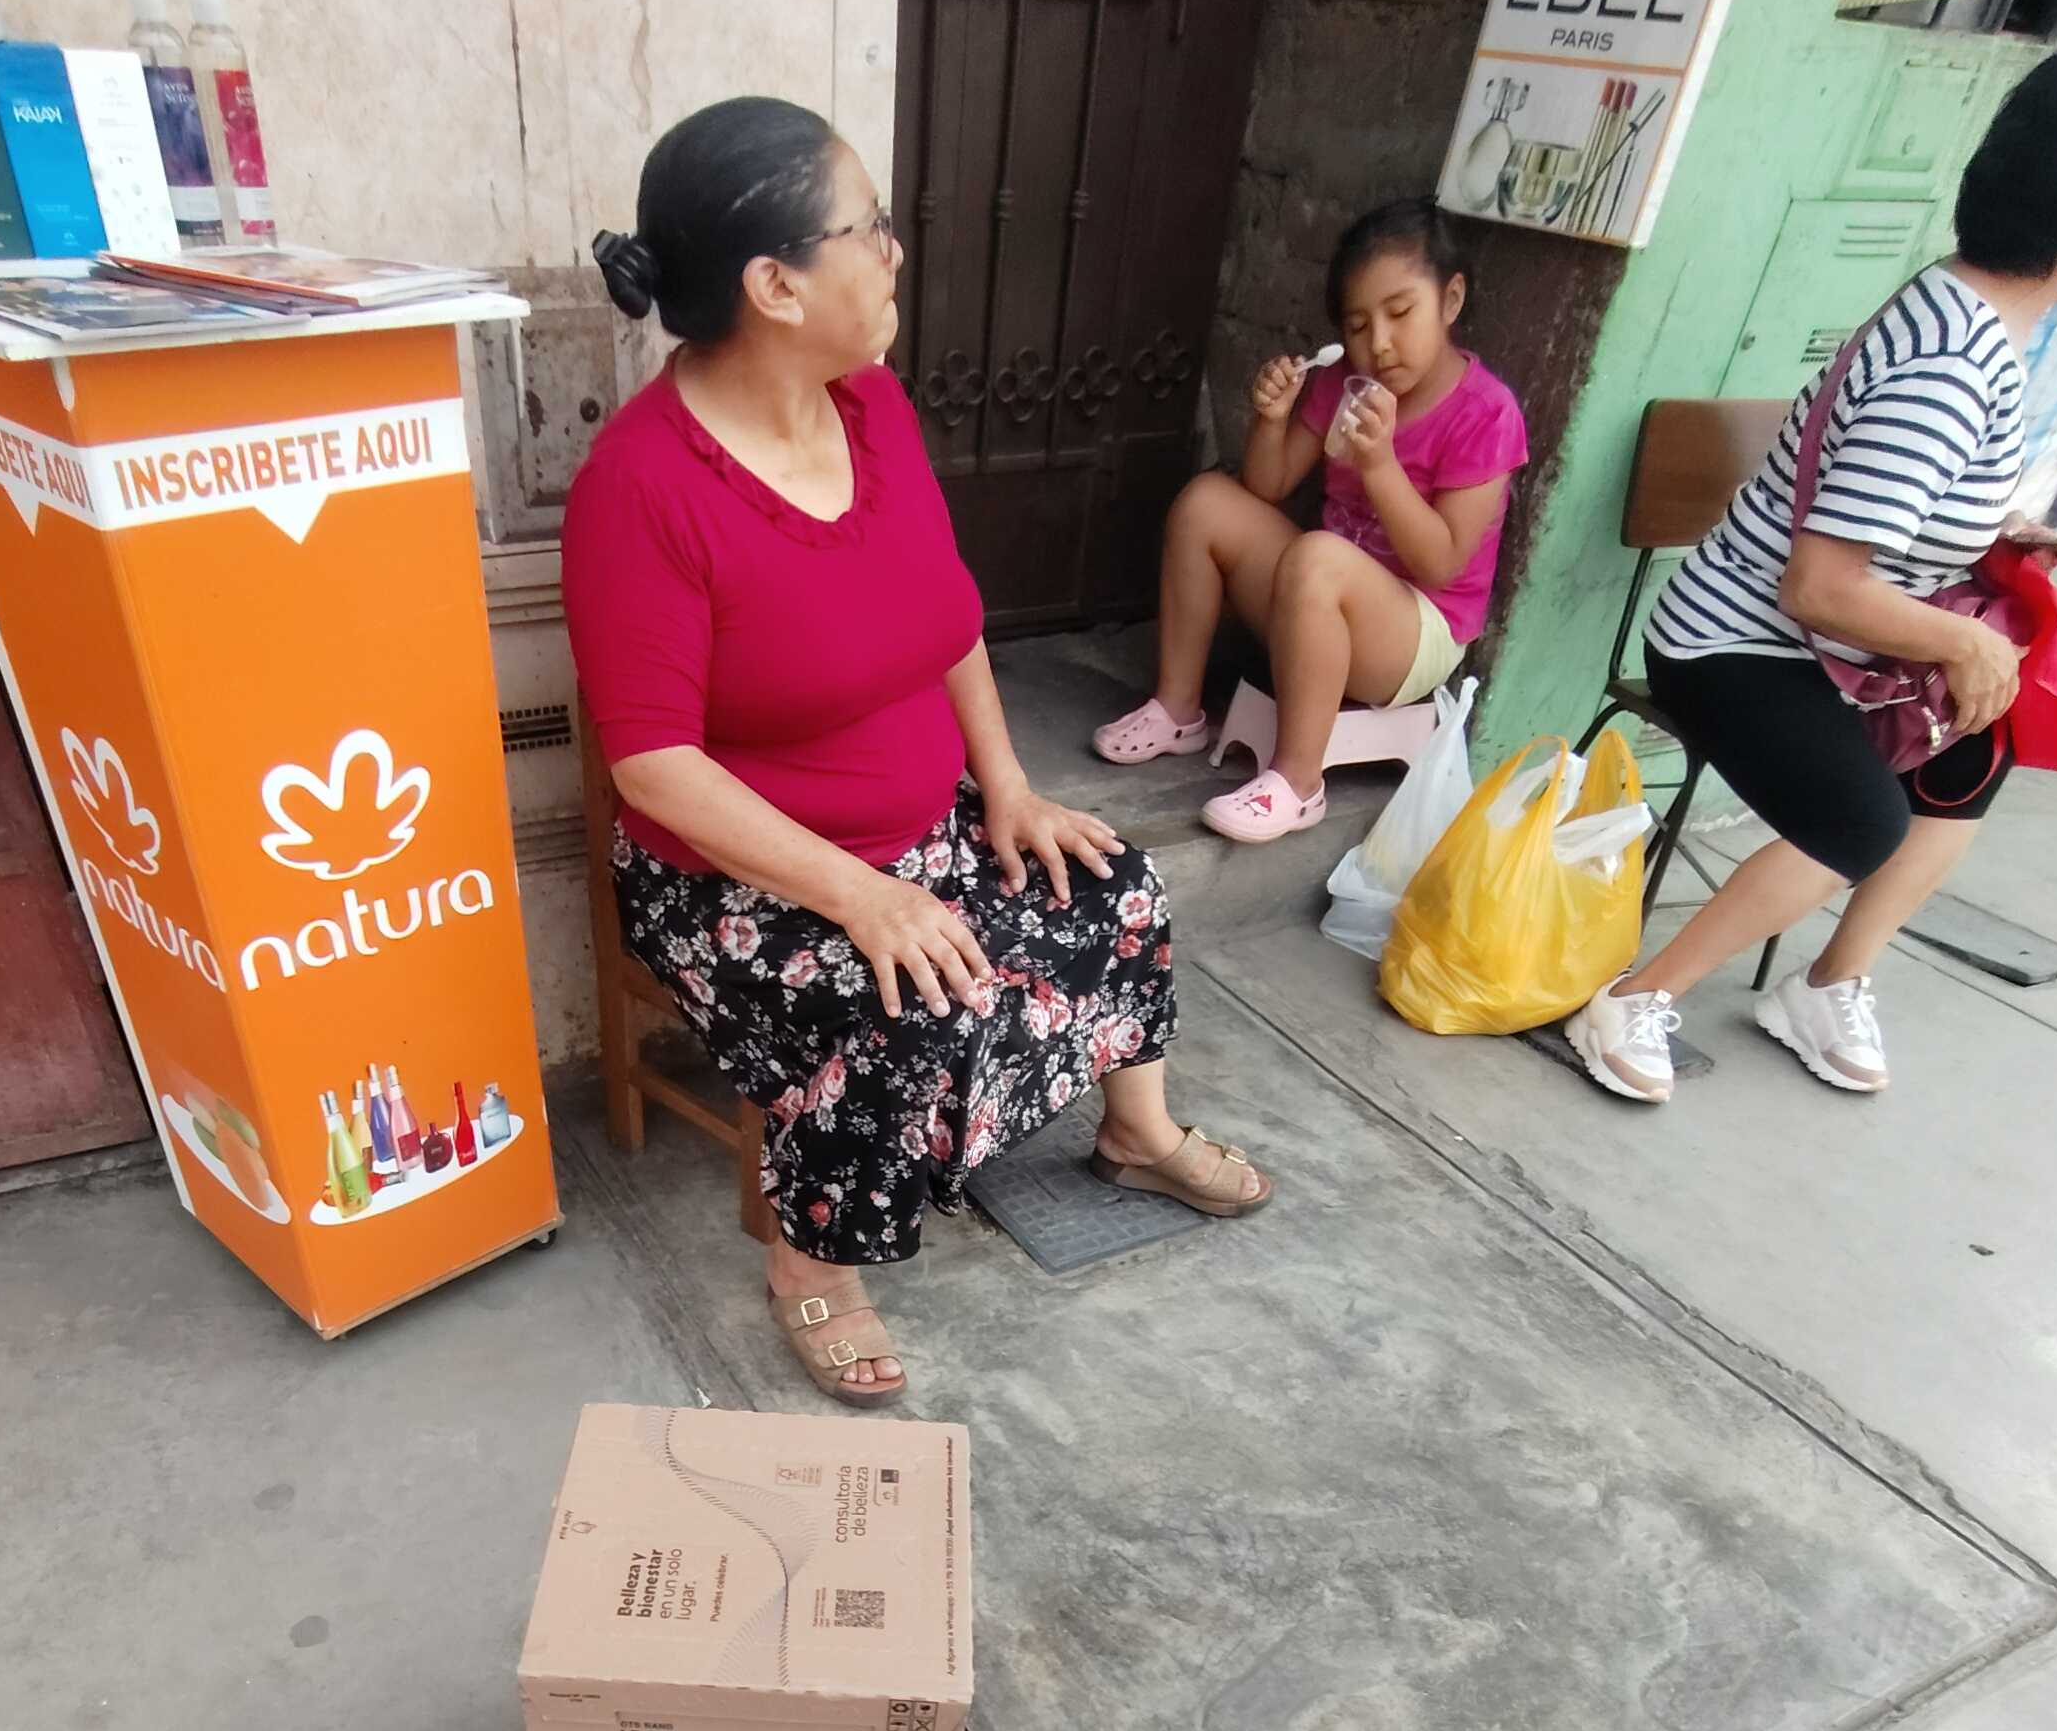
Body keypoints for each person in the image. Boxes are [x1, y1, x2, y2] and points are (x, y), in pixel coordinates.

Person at [562, 95, 1270, 1404]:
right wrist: (860, 895)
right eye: (869, 226)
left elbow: (947, 613)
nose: (895, 250)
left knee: (1111, 884)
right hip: (739, 880)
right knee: (903, 1011)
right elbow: (654, 766)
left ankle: (1137, 1132)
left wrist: (1007, 787)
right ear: (776, 285)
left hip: (919, 828)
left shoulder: (871, 406)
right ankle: (808, 1258)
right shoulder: (641, 489)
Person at [1564, 45, 2057, 1106]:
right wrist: (1967, 638)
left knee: (1977, 748)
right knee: (1861, 820)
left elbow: (1887, 506)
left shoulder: (1971, 316)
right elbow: (1820, 587)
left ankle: (1827, 985)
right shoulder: (1950, 365)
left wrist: (1993, 538)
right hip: (1735, 643)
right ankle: (1633, 999)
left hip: (1827, 647)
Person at [1092, 199, 1528, 844]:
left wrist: (1379, 466)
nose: (1379, 343)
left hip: (1413, 633)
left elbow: (1441, 563)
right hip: (1314, 596)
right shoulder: (1346, 382)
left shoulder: (1485, 414)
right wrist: (1271, 419)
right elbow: (1267, 486)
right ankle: (1178, 708)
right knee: (1206, 503)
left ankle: (1297, 782)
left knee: (1319, 557)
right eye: (1358, 325)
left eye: (1400, 313)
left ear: (1451, 300)